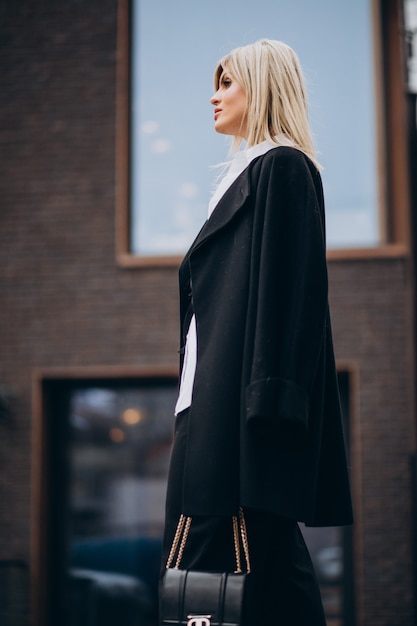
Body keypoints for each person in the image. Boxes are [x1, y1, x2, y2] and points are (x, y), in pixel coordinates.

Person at [160, 38, 353, 626]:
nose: (213, 96)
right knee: (263, 569)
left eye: (227, 83)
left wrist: (271, 403)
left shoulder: (283, 169)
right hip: (207, 403)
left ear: (262, 88)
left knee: (209, 566)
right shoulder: (242, 175)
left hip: (236, 411)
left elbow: (291, 292)